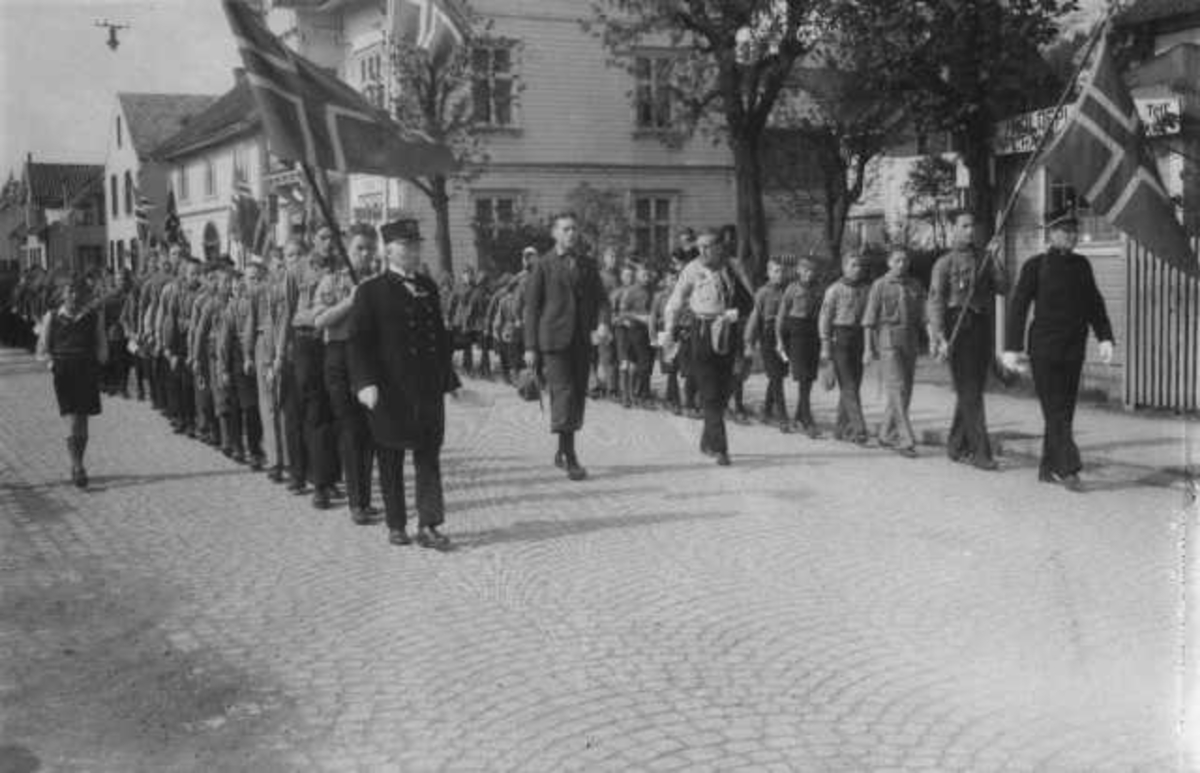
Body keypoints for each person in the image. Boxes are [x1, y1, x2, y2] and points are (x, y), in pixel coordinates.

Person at [349, 218, 457, 548]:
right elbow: (359, 344)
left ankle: (429, 524)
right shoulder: (370, 291)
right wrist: (365, 383)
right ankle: (396, 522)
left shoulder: (428, 286)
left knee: (428, 456)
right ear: (389, 250)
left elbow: (438, 339)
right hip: (389, 390)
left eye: (416, 245)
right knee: (390, 456)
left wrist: (450, 382)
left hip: (426, 389)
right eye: (406, 246)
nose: (413, 251)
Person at [1002, 211, 1114, 491]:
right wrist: (1011, 348)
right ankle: (1069, 469)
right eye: (1064, 230)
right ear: (1050, 234)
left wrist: (1105, 337)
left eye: (1074, 230)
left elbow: (1094, 303)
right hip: (1044, 350)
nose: (1071, 235)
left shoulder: (1082, 265)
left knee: (1065, 409)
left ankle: (1047, 467)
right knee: (1055, 411)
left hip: (1074, 348)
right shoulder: (1035, 265)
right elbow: (1018, 307)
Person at [523, 212, 611, 481]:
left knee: (576, 396)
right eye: (566, 229)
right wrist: (530, 346)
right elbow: (531, 308)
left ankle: (562, 451)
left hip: (581, 340)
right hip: (553, 340)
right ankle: (571, 457)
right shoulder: (543, 264)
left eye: (574, 229)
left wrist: (604, 323)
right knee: (564, 393)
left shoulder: (587, 264)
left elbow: (602, 300)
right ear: (555, 233)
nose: (571, 233)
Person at [927, 209, 1009, 470]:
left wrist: (995, 260)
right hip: (957, 326)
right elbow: (936, 301)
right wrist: (938, 335)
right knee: (970, 391)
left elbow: (1004, 287)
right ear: (953, 230)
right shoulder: (945, 263)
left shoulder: (985, 257)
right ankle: (980, 452)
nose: (969, 231)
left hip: (980, 327)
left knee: (970, 390)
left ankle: (955, 444)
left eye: (972, 226)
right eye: (964, 226)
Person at [315, 223, 381, 525]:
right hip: (339, 357)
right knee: (352, 429)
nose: (364, 254)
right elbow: (319, 320)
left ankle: (365, 499)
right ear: (348, 250)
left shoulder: (379, 284)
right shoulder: (333, 281)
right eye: (359, 248)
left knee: (369, 432)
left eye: (369, 248)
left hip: (368, 358)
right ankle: (357, 502)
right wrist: (350, 300)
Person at [662, 229, 742, 466]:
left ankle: (707, 440)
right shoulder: (692, 269)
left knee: (725, 386)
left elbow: (749, 298)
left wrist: (739, 315)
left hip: (727, 330)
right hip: (702, 330)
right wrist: (669, 331)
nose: (703, 251)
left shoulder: (731, 267)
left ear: (720, 247)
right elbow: (675, 302)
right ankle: (720, 448)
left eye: (709, 246)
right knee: (709, 389)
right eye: (700, 247)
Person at [36, 275, 108, 488]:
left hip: (86, 370)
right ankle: (77, 466)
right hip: (64, 371)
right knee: (72, 419)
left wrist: (101, 360)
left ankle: (79, 462)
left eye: (78, 292)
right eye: (70, 292)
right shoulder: (52, 317)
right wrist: (52, 364)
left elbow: (100, 341)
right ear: (63, 295)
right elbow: (42, 348)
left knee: (83, 420)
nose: (74, 296)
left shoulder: (93, 316)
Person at [287, 227, 339, 508]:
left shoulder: (341, 267)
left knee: (335, 414)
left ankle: (331, 477)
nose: (329, 243)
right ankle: (319, 484)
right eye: (323, 237)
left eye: (333, 237)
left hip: (335, 343)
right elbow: (287, 312)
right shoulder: (299, 270)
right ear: (312, 241)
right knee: (316, 413)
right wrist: (284, 352)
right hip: (307, 343)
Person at [863, 248, 926, 458]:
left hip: (910, 341)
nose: (902, 264)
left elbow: (924, 316)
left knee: (904, 390)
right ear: (889, 262)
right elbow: (869, 320)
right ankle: (905, 439)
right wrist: (867, 349)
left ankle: (884, 433)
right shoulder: (880, 285)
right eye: (897, 260)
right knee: (897, 388)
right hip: (888, 339)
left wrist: (934, 340)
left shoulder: (915, 285)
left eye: (905, 260)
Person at [819, 253, 871, 444]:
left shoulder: (866, 289)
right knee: (848, 385)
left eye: (859, 265)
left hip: (858, 338)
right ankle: (859, 428)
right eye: (853, 265)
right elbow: (825, 319)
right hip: (840, 338)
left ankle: (840, 428)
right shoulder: (834, 290)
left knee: (853, 385)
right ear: (844, 267)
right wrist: (825, 347)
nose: (857, 269)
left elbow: (869, 317)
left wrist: (870, 346)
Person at [775, 257, 823, 436]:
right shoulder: (792, 289)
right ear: (799, 271)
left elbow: (822, 312)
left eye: (813, 270)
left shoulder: (818, 289)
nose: (810, 274)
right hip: (796, 331)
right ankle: (807, 418)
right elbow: (781, 315)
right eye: (807, 270)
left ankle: (799, 415)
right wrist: (779, 339)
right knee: (802, 375)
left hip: (813, 331)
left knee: (809, 377)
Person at [746, 256, 788, 426]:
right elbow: (755, 318)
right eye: (776, 271)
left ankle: (767, 411)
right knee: (775, 375)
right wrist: (749, 342)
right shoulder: (763, 292)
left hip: (784, 335)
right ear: (768, 273)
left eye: (782, 271)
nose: (780, 274)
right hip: (768, 335)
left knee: (778, 375)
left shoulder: (787, 290)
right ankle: (783, 416)